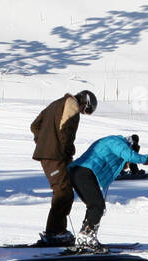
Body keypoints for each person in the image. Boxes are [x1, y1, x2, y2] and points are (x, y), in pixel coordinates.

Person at [30, 90, 97, 246]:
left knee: (64, 192)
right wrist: (65, 150)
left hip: (51, 155)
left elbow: (34, 126)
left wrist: (44, 142)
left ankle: (57, 230)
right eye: (85, 110)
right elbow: (65, 133)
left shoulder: (56, 103)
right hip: (56, 157)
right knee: (63, 192)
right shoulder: (72, 107)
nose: (82, 113)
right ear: (84, 103)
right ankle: (54, 232)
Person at [69, 134, 148, 251]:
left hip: (79, 172)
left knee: (94, 206)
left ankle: (85, 235)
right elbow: (129, 155)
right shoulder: (117, 142)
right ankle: (86, 237)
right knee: (97, 206)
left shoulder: (111, 140)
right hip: (84, 173)